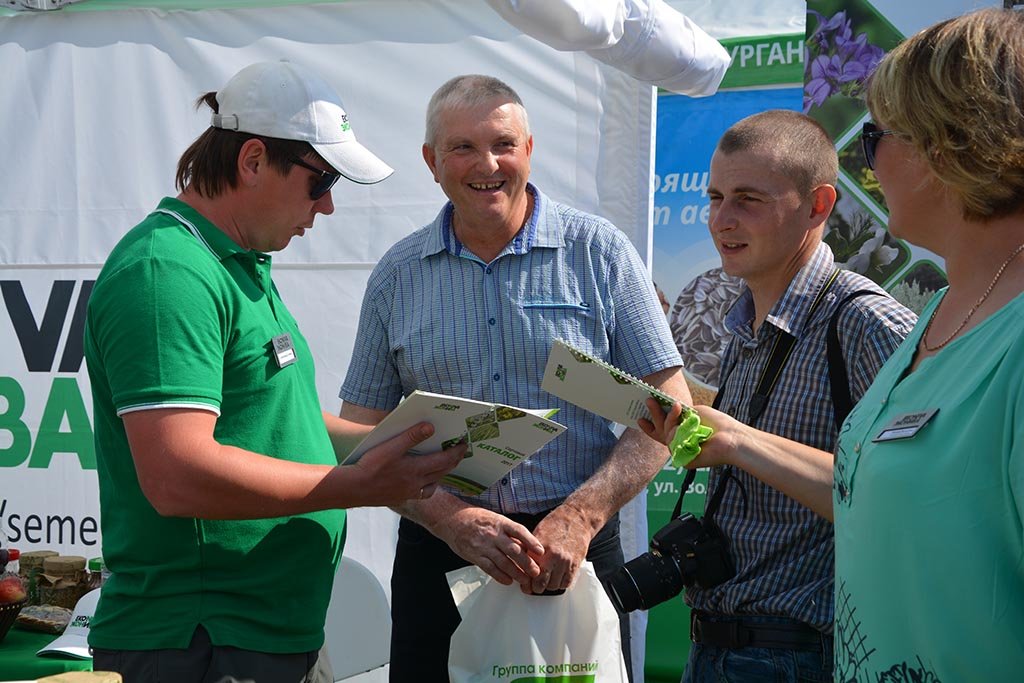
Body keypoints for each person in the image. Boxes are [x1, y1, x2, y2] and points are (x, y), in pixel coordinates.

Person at [645, 8, 1024, 680]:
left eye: (877, 136)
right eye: (714, 197)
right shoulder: (937, 320)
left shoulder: (880, 323)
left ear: (952, 145)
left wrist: (741, 443)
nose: (866, 161)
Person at [84, 61, 465, 682]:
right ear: (254, 160)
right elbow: (176, 475)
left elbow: (282, 422)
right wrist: (358, 484)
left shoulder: (233, 262)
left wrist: (416, 439)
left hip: (259, 634)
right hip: (200, 641)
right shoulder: (167, 272)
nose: (329, 205)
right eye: (321, 181)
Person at [338, 74, 691, 681]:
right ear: (431, 161)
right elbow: (359, 434)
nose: (488, 165)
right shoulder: (397, 275)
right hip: (441, 557)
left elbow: (669, 409)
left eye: (503, 144)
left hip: (574, 552)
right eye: (463, 148)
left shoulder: (598, 252)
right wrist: (449, 519)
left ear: (529, 149)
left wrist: (581, 517)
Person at [645, 109, 917, 683]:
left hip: (804, 654)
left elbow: (907, 501)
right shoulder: (743, 323)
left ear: (818, 205)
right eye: (715, 197)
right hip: (719, 646)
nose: (722, 219)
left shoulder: (867, 323)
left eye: (748, 200)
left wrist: (740, 444)